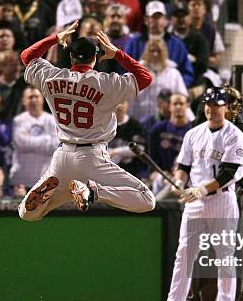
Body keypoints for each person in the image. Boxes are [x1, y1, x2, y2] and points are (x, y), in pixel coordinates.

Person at [18, 20, 155, 221]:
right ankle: (93, 192)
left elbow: (27, 57)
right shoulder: (106, 82)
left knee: (28, 215)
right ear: (96, 58)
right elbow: (145, 78)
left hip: (63, 157)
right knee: (147, 200)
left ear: (71, 57)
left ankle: (43, 202)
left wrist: (55, 39)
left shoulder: (52, 77)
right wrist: (117, 53)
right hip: (93, 157)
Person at [146, 87, 243, 301]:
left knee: (224, 255)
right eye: (208, 105)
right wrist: (179, 182)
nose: (212, 109)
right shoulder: (194, 133)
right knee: (184, 253)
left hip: (221, 199)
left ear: (226, 108)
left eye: (218, 105)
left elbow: (228, 174)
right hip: (195, 201)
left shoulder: (235, 136)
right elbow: (184, 164)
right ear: (204, 107)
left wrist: (199, 190)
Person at [182, 85, 243, 301]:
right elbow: (189, 163)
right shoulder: (200, 126)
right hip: (203, 193)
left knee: (236, 250)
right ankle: (191, 298)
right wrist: (189, 187)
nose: (231, 108)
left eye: (232, 104)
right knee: (199, 249)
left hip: (236, 193)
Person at [125, 0, 194, 88]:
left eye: (159, 17)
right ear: (146, 20)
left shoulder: (177, 45)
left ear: (166, 20)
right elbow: (124, 70)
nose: (156, 21)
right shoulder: (133, 44)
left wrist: (177, 88)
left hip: (169, 92)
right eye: (153, 17)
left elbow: (187, 72)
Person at [10, 85, 58, 189]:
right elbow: (21, 144)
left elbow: (55, 146)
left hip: (45, 180)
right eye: (30, 97)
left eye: (36, 96)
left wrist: (29, 140)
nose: (34, 100)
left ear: (43, 99)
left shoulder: (53, 120)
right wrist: (47, 139)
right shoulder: (18, 121)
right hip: (21, 181)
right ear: (24, 101)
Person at [128, 38, 188, 122]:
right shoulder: (137, 72)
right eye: (152, 51)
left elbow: (182, 97)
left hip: (166, 120)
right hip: (141, 119)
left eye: (159, 51)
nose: (155, 54)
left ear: (164, 52)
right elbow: (130, 98)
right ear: (147, 52)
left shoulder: (173, 73)